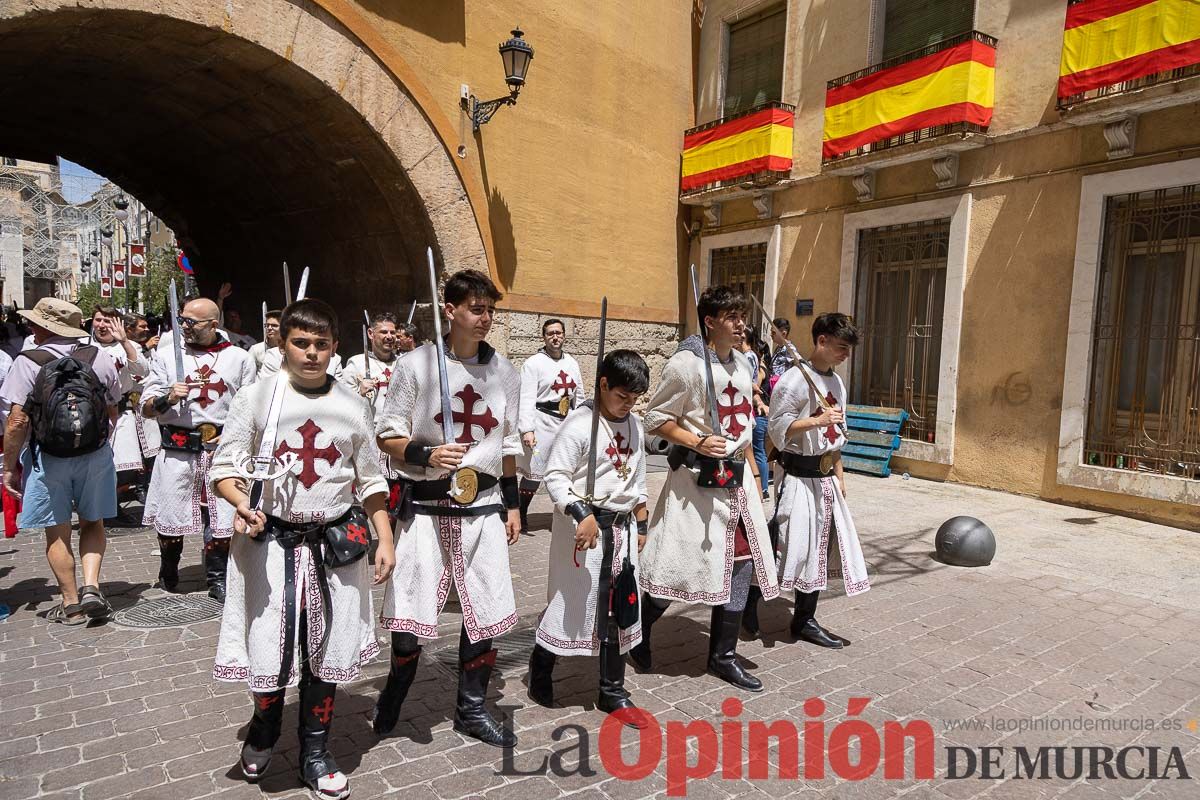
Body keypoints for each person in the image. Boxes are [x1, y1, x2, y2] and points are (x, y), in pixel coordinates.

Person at [211, 298, 395, 799]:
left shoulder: (355, 405)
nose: (311, 353)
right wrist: (241, 503)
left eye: (321, 344)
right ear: (283, 344)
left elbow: (372, 479)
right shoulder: (258, 398)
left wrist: (386, 537)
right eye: (301, 343)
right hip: (269, 542)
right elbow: (223, 468)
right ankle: (265, 728)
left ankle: (315, 749)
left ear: (336, 347)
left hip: (335, 545)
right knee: (270, 641)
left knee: (326, 649)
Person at [372, 269, 523, 748]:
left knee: (486, 607)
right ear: (450, 310)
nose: (485, 318)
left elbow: (509, 443)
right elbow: (386, 434)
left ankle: (472, 709)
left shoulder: (505, 373)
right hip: (427, 507)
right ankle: (395, 692)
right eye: (476, 309)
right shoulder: (414, 366)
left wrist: (514, 503)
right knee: (410, 610)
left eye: (490, 310)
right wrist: (426, 454)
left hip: (483, 505)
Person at [631, 285, 779, 692]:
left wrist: (753, 470)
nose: (740, 324)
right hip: (696, 485)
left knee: (741, 562)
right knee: (678, 565)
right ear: (710, 322)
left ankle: (723, 656)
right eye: (731, 317)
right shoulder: (686, 366)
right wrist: (696, 441)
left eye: (741, 316)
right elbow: (655, 419)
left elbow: (745, 427)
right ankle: (638, 632)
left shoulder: (745, 366)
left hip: (738, 485)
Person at [528, 350, 650, 723]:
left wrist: (641, 519)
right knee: (572, 605)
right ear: (602, 385)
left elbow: (638, 475)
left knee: (619, 607)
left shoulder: (635, 424)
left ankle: (612, 690)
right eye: (621, 396)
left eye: (634, 399)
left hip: (622, 529)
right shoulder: (579, 426)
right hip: (584, 533)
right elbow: (556, 477)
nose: (627, 405)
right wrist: (582, 514)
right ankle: (540, 669)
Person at [0, 298, 122, 624]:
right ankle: (93, 586)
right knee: (93, 522)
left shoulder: (28, 361)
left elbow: (16, 421)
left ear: (43, 327)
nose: (30, 328)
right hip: (94, 454)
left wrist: (9, 467)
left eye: (34, 323)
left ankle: (70, 603)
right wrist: (101, 443)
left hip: (48, 458)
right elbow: (114, 407)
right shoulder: (101, 358)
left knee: (57, 532)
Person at [763, 313, 869, 648]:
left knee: (819, 549)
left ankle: (804, 619)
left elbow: (837, 434)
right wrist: (814, 420)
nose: (845, 355)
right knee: (785, 546)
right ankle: (750, 603)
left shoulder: (836, 383)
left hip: (825, 479)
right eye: (841, 347)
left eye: (848, 349)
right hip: (797, 477)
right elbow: (777, 430)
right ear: (821, 341)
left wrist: (839, 475)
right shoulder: (794, 380)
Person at [141, 297, 257, 600]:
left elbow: (249, 406)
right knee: (171, 513)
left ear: (213, 325)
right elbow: (146, 406)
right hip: (179, 448)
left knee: (221, 515)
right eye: (182, 320)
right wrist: (167, 398)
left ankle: (217, 577)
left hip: (221, 448)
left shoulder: (239, 358)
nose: (184, 327)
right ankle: (169, 567)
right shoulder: (166, 356)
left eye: (191, 322)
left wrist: (235, 433)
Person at [517, 319, 585, 533]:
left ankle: (567, 512)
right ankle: (520, 511)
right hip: (542, 422)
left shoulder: (572, 363)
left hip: (567, 422)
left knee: (569, 468)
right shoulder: (533, 363)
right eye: (550, 333)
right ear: (544, 337)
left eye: (558, 333)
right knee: (534, 472)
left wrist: (582, 421)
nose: (555, 337)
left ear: (564, 335)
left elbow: (579, 395)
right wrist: (527, 429)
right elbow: (526, 398)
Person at [90, 307, 154, 490]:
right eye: (98, 320)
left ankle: (112, 508)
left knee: (120, 466)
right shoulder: (82, 345)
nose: (102, 325)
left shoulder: (129, 346)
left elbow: (142, 370)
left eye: (108, 321)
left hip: (119, 413)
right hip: (90, 413)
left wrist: (124, 341)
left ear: (118, 324)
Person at [340, 311, 400, 416]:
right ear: (371, 334)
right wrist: (360, 394)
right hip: (369, 429)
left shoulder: (403, 363)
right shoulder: (356, 364)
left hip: (399, 429)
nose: (389, 337)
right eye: (384, 332)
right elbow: (343, 406)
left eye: (393, 332)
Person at [741, 327, 770, 499]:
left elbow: (753, 381)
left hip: (754, 408)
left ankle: (763, 487)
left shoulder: (749, 356)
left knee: (758, 450)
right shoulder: (749, 356)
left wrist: (755, 396)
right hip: (753, 405)